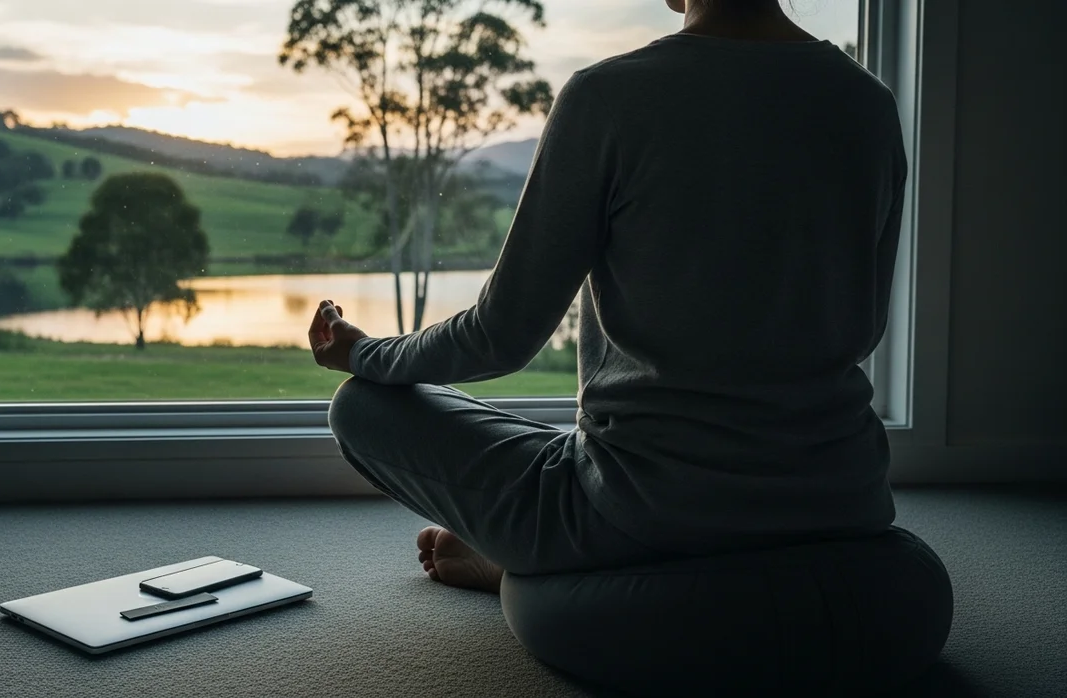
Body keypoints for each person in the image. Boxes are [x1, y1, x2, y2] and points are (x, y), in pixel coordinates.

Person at [309, 0, 907, 594]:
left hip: (645, 509)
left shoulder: (609, 96)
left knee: (361, 408)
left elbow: (500, 336)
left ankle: (534, 559)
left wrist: (364, 353)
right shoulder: (867, 101)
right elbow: (863, 330)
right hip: (838, 498)